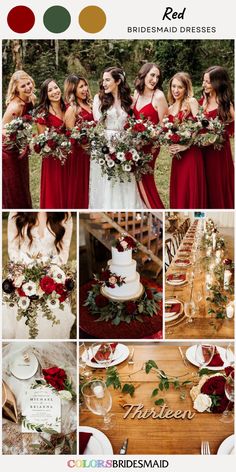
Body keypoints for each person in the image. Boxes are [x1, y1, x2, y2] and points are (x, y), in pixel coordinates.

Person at [2, 212, 75, 339]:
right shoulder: (16, 213)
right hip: (22, 271)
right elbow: (13, 249)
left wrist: (51, 275)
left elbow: (64, 252)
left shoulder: (64, 214)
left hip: (52, 272)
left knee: (52, 319)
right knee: (22, 317)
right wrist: (23, 274)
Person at [90, 66, 145, 209]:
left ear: (118, 81)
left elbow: (133, 123)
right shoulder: (99, 99)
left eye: (107, 80)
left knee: (125, 179)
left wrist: (129, 144)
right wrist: (108, 146)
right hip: (105, 144)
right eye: (103, 80)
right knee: (108, 182)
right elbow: (98, 123)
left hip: (126, 145)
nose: (104, 83)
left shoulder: (130, 100)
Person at [168, 72, 206, 209]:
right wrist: (169, 144)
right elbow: (168, 131)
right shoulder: (170, 108)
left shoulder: (191, 102)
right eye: (173, 86)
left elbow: (200, 126)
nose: (176, 90)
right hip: (177, 156)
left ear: (186, 88)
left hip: (191, 154)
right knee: (180, 189)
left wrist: (187, 145)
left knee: (190, 188)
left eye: (180, 87)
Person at [133, 63, 168, 208]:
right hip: (135, 144)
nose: (154, 79)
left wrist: (151, 135)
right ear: (144, 74)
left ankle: (154, 209)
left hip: (151, 146)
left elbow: (164, 123)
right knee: (135, 179)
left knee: (144, 178)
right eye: (152, 75)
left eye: (157, 77)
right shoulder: (137, 93)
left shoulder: (158, 96)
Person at [200, 66, 234, 209]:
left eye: (207, 82)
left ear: (217, 83)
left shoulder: (225, 104)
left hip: (218, 153)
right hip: (203, 150)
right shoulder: (203, 100)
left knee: (216, 183)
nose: (204, 85)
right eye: (203, 81)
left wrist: (218, 133)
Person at [2, 70, 35, 209]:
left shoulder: (31, 98)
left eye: (28, 83)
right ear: (16, 89)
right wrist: (18, 140)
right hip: (8, 150)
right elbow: (3, 129)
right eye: (23, 86)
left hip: (21, 146)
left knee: (22, 182)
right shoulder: (15, 106)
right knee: (14, 186)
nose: (27, 87)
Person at [35, 79, 68, 209]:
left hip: (68, 156)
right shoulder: (42, 114)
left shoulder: (68, 107)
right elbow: (42, 140)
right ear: (45, 95)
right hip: (52, 159)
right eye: (50, 90)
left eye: (56, 87)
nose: (55, 92)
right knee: (53, 193)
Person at [64, 74, 93, 208]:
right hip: (79, 155)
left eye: (85, 85)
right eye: (81, 87)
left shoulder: (90, 104)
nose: (85, 89)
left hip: (93, 152)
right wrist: (83, 142)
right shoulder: (72, 109)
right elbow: (71, 134)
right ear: (73, 90)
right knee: (81, 185)